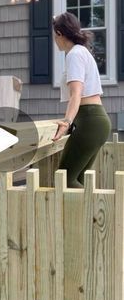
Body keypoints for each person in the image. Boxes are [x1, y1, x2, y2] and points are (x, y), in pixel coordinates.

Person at [52, 11, 111, 188]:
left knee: (64, 181)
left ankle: (99, 215)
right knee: (79, 181)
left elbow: (76, 93)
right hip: (96, 121)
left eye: (54, 35)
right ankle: (90, 216)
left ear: (60, 34)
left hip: (90, 121)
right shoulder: (82, 52)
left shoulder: (74, 55)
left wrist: (67, 121)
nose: (54, 39)